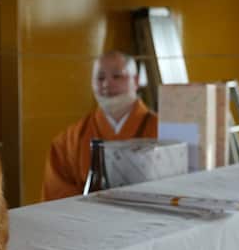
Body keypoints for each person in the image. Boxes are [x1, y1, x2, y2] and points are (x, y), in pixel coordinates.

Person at [42, 51, 158, 201]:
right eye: (100, 78)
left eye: (117, 76)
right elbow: (56, 194)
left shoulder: (165, 130)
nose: (106, 84)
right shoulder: (68, 141)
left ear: (136, 81)